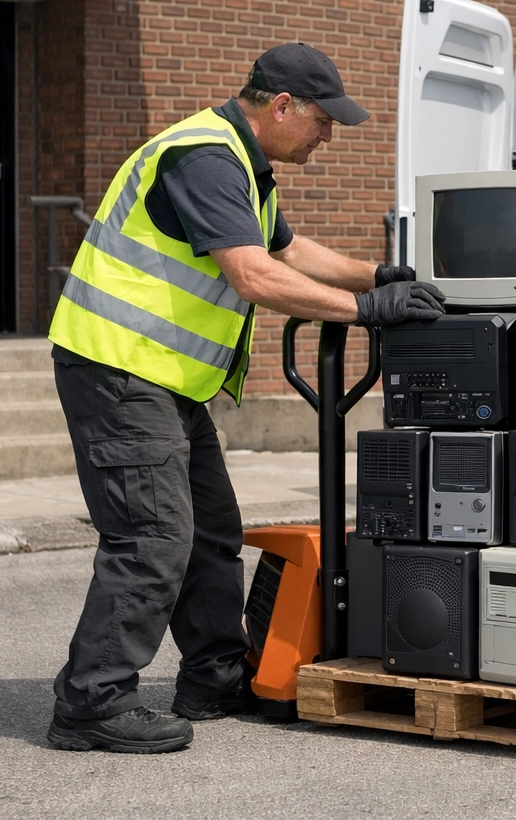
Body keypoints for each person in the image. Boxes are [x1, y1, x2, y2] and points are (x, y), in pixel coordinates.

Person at [43, 43, 444, 753]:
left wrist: (379, 275)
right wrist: (367, 313)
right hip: (120, 371)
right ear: (282, 107)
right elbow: (255, 276)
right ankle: (91, 702)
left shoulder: (245, 166)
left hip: (165, 379)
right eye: (323, 122)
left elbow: (288, 251)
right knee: (153, 537)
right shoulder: (203, 157)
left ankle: (213, 678)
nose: (328, 137)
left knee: (212, 532)